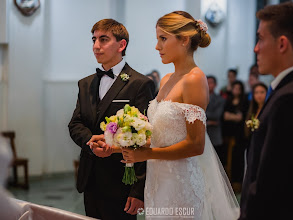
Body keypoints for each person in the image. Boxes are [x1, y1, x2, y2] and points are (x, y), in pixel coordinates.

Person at [121, 11, 239, 219]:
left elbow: (196, 144)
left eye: (163, 39)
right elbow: (160, 135)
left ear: (184, 40)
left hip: (180, 182)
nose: (157, 46)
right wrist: (121, 144)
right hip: (158, 179)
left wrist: (147, 154)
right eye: (157, 39)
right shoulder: (167, 78)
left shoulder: (195, 79)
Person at [239, 2, 293, 220]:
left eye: (260, 38)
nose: (255, 48)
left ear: (282, 44)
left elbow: (271, 184)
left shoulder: (290, 99)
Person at [68, 19, 155, 219]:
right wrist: (91, 142)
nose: (96, 46)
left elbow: (145, 135)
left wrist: (138, 190)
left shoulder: (140, 84)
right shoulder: (85, 83)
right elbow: (75, 123)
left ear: (121, 45)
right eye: (94, 39)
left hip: (122, 180)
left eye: (103, 39)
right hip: (90, 176)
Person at [222, 80, 249, 192]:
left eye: (239, 88)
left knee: (238, 161)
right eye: (235, 88)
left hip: (239, 137)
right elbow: (225, 116)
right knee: (227, 160)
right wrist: (234, 117)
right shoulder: (228, 101)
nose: (236, 90)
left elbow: (240, 118)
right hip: (228, 136)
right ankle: (228, 185)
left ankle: (238, 186)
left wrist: (231, 116)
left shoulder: (244, 102)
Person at [206, 75, 226, 163]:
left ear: (215, 85)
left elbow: (217, 115)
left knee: (214, 162)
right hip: (202, 133)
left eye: (211, 83)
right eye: (207, 82)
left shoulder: (220, 99)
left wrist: (202, 114)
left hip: (214, 135)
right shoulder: (199, 97)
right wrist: (209, 121)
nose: (209, 85)